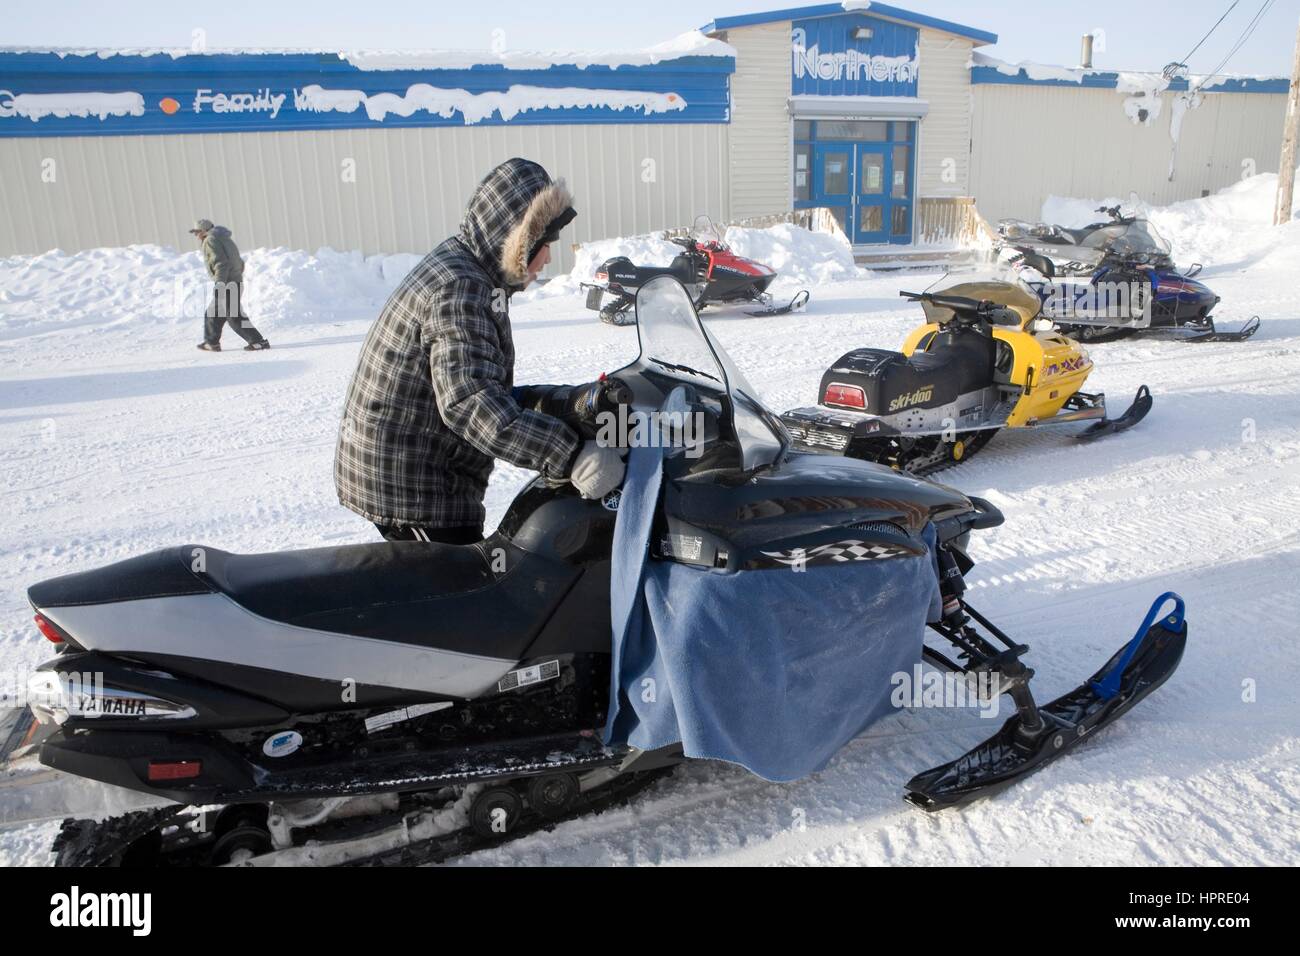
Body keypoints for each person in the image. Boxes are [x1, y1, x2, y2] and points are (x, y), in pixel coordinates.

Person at [334, 158, 624, 544]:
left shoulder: (469, 268)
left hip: (418, 469)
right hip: (410, 488)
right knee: (456, 588)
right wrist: (570, 455)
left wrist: (565, 404)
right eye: (546, 244)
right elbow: (471, 404)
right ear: (521, 239)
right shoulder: (461, 289)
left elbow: (482, 382)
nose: (549, 257)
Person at [190, 219, 271, 352]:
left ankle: (258, 342)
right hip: (234, 281)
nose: (196, 235)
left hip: (227, 283)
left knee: (234, 316)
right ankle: (212, 343)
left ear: (204, 230)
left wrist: (220, 283)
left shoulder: (210, 240)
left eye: (197, 232)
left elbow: (221, 264)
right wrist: (236, 276)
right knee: (213, 312)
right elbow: (240, 262)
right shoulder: (225, 238)